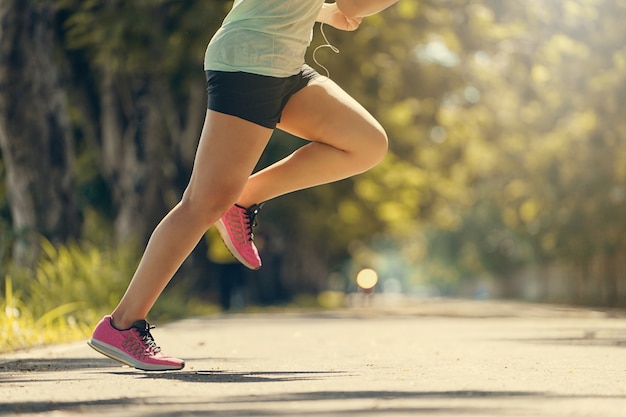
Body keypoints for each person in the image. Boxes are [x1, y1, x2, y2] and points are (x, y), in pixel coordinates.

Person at [88, 0, 399, 371]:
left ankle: (245, 197)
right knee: (202, 203)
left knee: (365, 143)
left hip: (281, 62)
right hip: (251, 63)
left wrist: (325, 12)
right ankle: (121, 325)